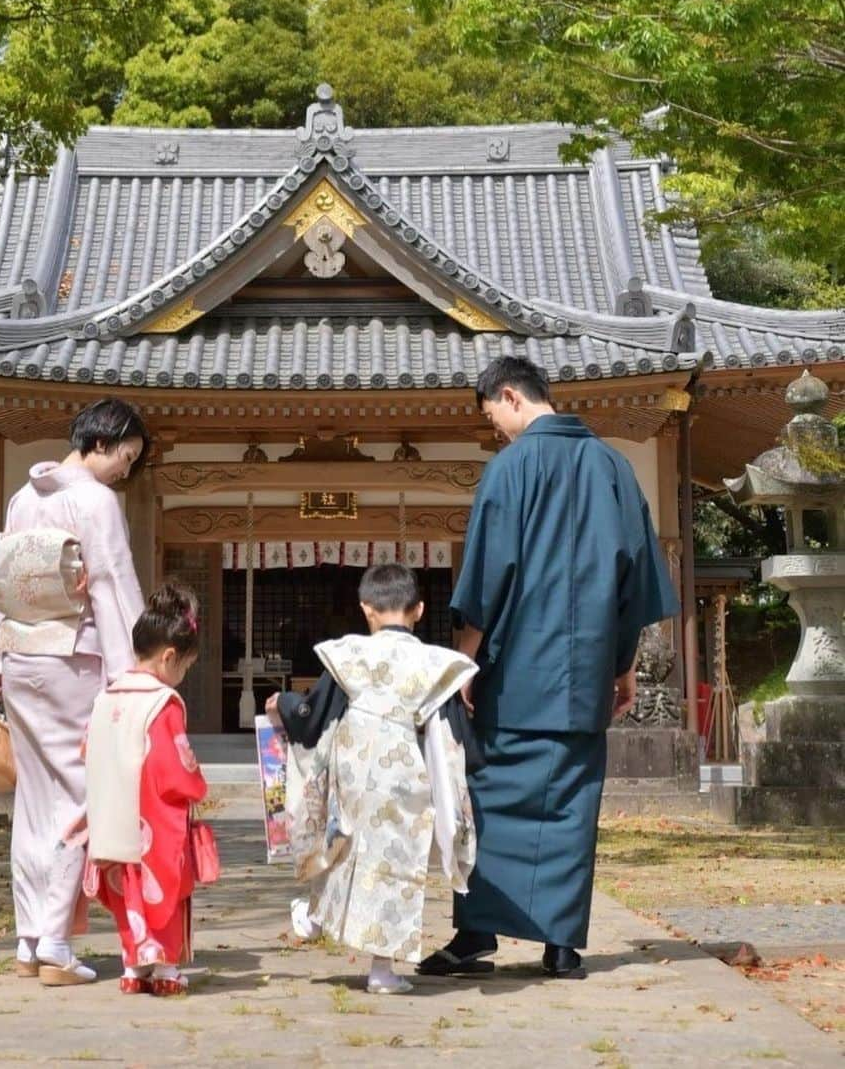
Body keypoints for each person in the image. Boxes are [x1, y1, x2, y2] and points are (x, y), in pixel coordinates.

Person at [419, 356, 679, 981]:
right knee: (570, 803)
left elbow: (487, 575)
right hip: (587, 668)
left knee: (492, 798)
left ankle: (477, 932)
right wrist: (624, 666)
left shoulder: (511, 469)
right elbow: (634, 578)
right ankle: (562, 947)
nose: (496, 432)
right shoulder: (615, 467)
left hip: (516, 673)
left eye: (492, 418)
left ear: (510, 396)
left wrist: (467, 663)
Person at [0, 398, 150, 986]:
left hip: (21, 656)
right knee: (82, 794)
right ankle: (55, 940)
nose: (124, 472)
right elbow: (110, 583)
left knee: (33, 800)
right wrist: (134, 671)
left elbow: (3, 583)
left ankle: (30, 939)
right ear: (105, 440)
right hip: (72, 660)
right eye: (125, 458)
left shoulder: (24, 498)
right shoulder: (95, 501)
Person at [268, 563, 479, 995]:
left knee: (341, 846)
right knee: (395, 863)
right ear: (419, 609)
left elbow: (312, 713)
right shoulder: (434, 663)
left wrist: (282, 705)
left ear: (366, 609)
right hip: (405, 774)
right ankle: (381, 967)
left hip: (352, 768)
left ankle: (312, 916)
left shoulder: (349, 655)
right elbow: (455, 734)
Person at [83, 580, 208, 997]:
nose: (183, 676)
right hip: (152, 821)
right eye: (185, 666)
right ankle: (167, 969)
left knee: (126, 893)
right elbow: (173, 765)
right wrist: (195, 784)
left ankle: (134, 966)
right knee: (165, 894)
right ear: (169, 656)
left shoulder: (108, 696)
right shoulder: (162, 702)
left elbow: (89, 749)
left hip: (111, 815)